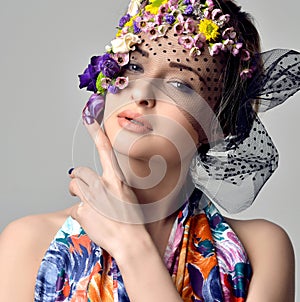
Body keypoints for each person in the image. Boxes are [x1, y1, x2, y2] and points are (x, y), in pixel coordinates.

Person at [0, 0, 299, 301]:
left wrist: (131, 246)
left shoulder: (259, 252)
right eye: (134, 66)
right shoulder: (29, 243)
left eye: (181, 85)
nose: (142, 92)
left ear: (216, 123)